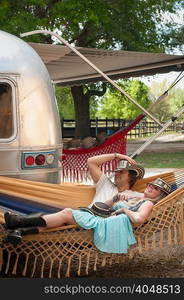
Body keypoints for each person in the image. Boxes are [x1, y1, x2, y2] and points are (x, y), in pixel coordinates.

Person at [3, 177, 171, 254]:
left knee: (67, 213)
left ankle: (18, 222)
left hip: (108, 224)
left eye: (155, 189)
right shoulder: (138, 198)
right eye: (150, 185)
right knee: (63, 220)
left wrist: (124, 210)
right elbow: (102, 206)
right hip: (105, 218)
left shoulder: (148, 203)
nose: (150, 188)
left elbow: (139, 219)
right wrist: (116, 199)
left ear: (159, 195)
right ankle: (20, 231)